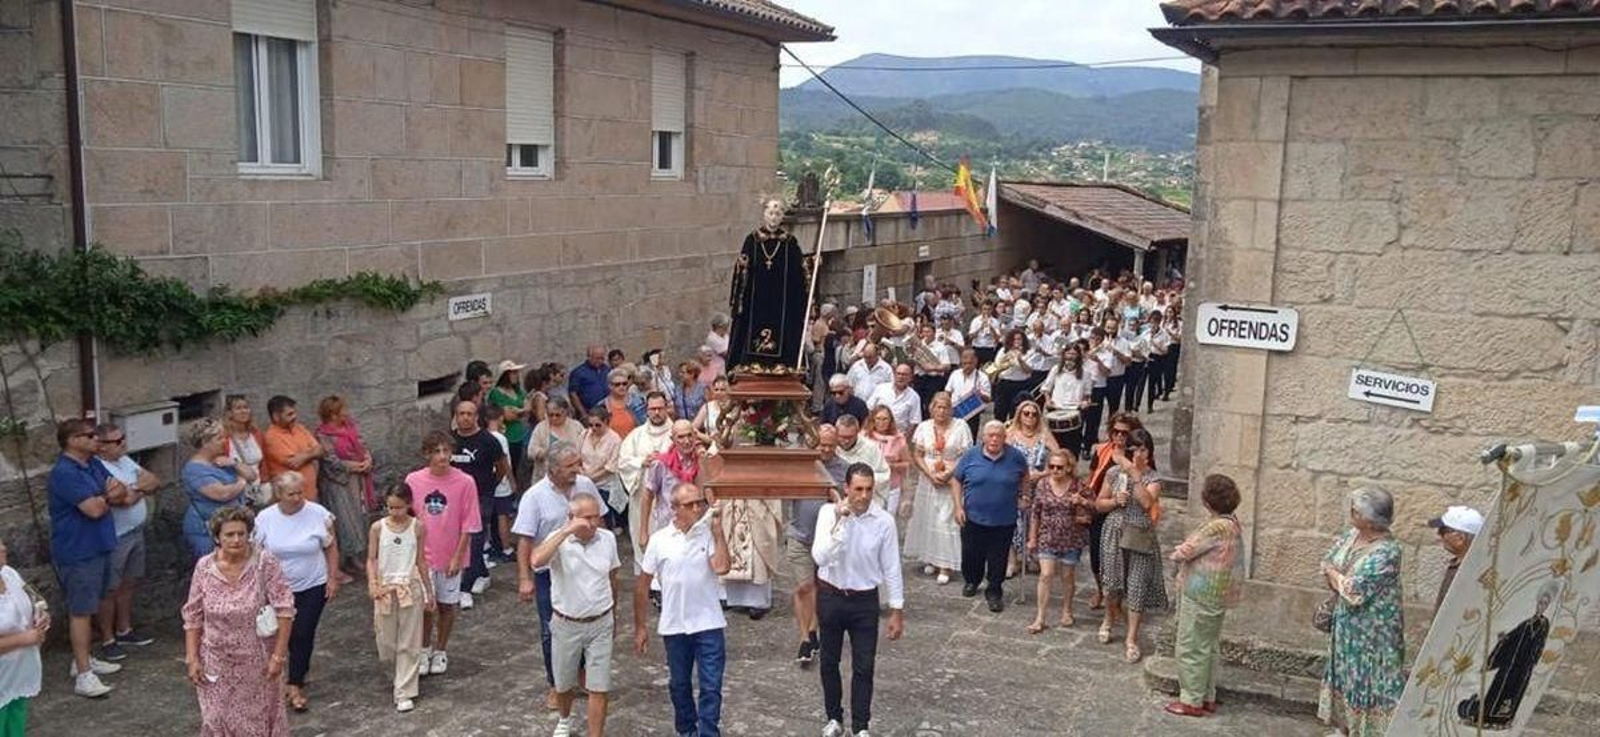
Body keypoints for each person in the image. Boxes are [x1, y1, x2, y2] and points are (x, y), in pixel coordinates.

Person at [812, 463, 906, 737]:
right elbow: (821, 557)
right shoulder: (827, 513)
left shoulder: (884, 521)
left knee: (864, 665)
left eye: (868, 489)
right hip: (831, 596)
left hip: (864, 600)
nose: (864, 496)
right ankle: (833, 718)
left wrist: (896, 609)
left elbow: (891, 567)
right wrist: (842, 521)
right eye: (858, 489)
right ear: (847, 488)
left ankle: (861, 725)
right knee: (829, 661)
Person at [182, 506, 294, 736]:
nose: (236, 540)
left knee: (255, 721)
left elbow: (285, 609)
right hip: (216, 658)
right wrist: (192, 658)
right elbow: (193, 615)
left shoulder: (264, 562)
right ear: (217, 537)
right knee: (215, 717)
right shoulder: (204, 567)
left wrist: (278, 656)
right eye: (229, 535)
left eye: (241, 534)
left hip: (257, 660)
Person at [634, 482, 731, 737]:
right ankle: (687, 730)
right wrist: (640, 626)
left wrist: (719, 532)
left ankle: (709, 732)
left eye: (700, 503)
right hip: (675, 624)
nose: (698, 508)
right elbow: (642, 585)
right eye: (691, 504)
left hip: (708, 622)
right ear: (674, 508)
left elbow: (721, 567)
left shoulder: (708, 534)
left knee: (711, 686)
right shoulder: (659, 540)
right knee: (679, 685)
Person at [512, 445, 606, 709]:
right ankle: (556, 683)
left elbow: (602, 522)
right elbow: (525, 540)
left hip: (585, 568)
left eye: (578, 463)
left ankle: (584, 673)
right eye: (571, 466)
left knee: (589, 621)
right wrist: (524, 578)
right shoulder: (534, 497)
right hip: (549, 572)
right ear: (553, 469)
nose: (578, 470)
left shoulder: (586, 485)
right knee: (550, 629)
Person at [528, 495, 621, 737]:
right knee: (563, 683)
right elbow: (536, 561)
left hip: (600, 621)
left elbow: (613, 577)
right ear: (571, 518)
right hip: (567, 623)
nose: (592, 523)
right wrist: (566, 531)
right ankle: (564, 718)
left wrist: (614, 612)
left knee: (599, 686)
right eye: (586, 518)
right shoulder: (559, 540)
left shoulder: (608, 539)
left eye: (596, 517)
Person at [1319, 487, 1405, 737]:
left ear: (1370, 519)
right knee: (1346, 676)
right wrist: (1336, 576)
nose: (1351, 513)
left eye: (1356, 511)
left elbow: (1354, 590)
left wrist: (1335, 575)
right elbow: (1327, 560)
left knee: (1371, 683)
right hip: (1347, 627)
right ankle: (1345, 729)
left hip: (1374, 635)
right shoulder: (1351, 535)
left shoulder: (1388, 551)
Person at [252, 471, 340, 712]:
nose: (298, 498)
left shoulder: (318, 514)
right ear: (279, 494)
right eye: (291, 494)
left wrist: (332, 578)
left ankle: (295, 681)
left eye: (301, 492)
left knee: (303, 631)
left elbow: (331, 547)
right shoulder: (265, 518)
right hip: (277, 587)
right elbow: (256, 553)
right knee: (279, 634)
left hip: (312, 583)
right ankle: (280, 676)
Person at [47, 419, 122, 697]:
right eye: (89, 436)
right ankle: (83, 675)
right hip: (78, 550)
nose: (96, 440)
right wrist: (106, 495)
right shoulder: (64, 473)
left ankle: (84, 659)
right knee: (80, 611)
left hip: (99, 544)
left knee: (93, 603)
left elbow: (121, 489)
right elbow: (93, 509)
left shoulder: (91, 464)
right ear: (72, 440)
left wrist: (106, 495)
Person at [1164, 474, 1243, 718]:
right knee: (1208, 646)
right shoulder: (1232, 522)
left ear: (1209, 500)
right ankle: (1207, 695)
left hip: (1200, 592)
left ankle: (1191, 700)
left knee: (1190, 645)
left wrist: (1175, 554)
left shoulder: (1216, 525)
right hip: (1217, 594)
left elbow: (1189, 549)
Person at [406, 431, 480, 677]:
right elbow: (408, 518)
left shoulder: (465, 482)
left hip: (450, 555)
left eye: (447, 451)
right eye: (437, 451)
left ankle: (441, 650)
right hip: (422, 557)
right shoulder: (413, 480)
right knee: (426, 607)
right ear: (427, 454)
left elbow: (469, 523)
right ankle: (424, 648)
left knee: (446, 606)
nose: (443, 456)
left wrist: (458, 556)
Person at [1095, 427, 1167, 662]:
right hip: (1115, 530)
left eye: (1143, 449)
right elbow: (1099, 504)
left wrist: (1135, 475)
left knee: (1136, 586)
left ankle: (1132, 638)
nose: (1138, 453)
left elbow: (1147, 503)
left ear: (1149, 452)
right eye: (1133, 449)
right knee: (1113, 581)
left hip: (1139, 533)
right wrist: (1115, 500)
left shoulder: (1152, 478)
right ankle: (1109, 618)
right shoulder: (1114, 473)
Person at [91, 423, 159, 662]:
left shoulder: (125, 461)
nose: (123, 444)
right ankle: (107, 638)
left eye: (123, 439)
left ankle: (125, 629)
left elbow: (152, 480)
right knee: (110, 588)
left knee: (129, 583)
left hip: (135, 531)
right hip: (116, 536)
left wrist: (135, 488)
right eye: (116, 441)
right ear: (100, 446)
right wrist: (138, 489)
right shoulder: (99, 467)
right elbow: (122, 500)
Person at [1457, 580, 1560, 729]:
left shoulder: (1544, 624)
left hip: (1523, 667)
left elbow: (1540, 644)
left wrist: (1532, 661)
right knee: (1498, 688)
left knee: (1513, 693)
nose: (1542, 606)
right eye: (1540, 603)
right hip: (1510, 664)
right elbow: (1513, 636)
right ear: (1537, 603)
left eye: (1545, 604)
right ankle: (1485, 716)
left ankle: (1503, 720)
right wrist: (1504, 639)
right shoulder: (1526, 623)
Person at [952, 420, 1031, 613]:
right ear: (983, 437)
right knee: (971, 554)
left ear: (1005, 438)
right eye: (991, 435)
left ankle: (994, 590)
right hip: (973, 516)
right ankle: (972, 580)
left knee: (998, 557)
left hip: (1003, 518)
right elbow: (956, 479)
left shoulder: (1015, 457)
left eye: (999, 435)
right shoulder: (971, 455)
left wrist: (1025, 495)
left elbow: (1025, 475)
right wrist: (958, 506)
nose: (994, 439)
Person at [366, 485, 433, 713]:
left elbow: (421, 560)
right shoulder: (377, 527)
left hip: (409, 586)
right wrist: (372, 583)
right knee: (386, 641)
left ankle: (404, 690)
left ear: (409, 504)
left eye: (399, 507)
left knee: (410, 640)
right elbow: (372, 559)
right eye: (390, 507)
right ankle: (397, 674)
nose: (394, 512)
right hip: (385, 589)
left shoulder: (418, 527)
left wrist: (428, 591)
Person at [727, 197, 813, 372]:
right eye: (771, 213)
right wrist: (742, 266)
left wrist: (811, 263)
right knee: (751, 327)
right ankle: (753, 361)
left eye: (778, 213)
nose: (774, 217)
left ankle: (782, 362)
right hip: (756, 299)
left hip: (781, 300)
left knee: (784, 327)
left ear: (782, 216)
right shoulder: (752, 240)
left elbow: (799, 270)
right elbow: (743, 268)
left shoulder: (789, 241)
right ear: (764, 214)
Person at [790, 425, 845, 669]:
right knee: (804, 586)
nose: (825, 449)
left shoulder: (844, 469)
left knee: (821, 590)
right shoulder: (801, 465)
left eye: (830, 445)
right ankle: (804, 638)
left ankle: (813, 631)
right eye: (821, 444)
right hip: (799, 534)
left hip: (827, 541)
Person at [904, 393, 971, 585]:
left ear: (951, 409)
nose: (942, 411)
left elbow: (966, 456)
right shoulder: (924, 427)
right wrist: (929, 474)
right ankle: (931, 558)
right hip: (929, 478)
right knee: (928, 518)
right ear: (931, 408)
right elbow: (917, 454)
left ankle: (945, 565)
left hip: (951, 478)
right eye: (938, 407)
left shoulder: (961, 427)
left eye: (946, 407)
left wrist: (949, 474)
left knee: (946, 520)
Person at [1025, 449, 1094, 634]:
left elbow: (1093, 505)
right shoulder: (1042, 484)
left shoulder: (1078, 486)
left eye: (1059, 467)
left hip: (1071, 537)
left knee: (1067, 576)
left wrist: (1081, 501)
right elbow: (1035, 512)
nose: (1055, 470)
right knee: (1045, 575)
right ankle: (1040, 617)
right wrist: (1032, 537)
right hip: (1047, 536)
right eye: (1051, 466)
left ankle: (1067, 609)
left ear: (1069, 468)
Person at [450, 399, 509, 607]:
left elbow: (502, 465)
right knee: (458, 540)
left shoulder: (488, 440)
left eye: (469, 413)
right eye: (461, 413)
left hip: (481, 495)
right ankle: (482, 574)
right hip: (455, 499)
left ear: (477, 417)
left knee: (474, 540)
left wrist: (491, 485)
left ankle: (464, 587)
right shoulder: (450, 440)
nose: (465, 417)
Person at [313, 395, 372, 580]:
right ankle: (350, 559)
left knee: (360, 516)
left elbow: (363, 445)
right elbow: (330, 460)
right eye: (341, 411)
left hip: (358, 480)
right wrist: (354, 466)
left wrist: (368, 459)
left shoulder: (350, 426)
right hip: (339, 483)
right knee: (347, 521)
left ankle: (360, 555)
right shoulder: (323, 434)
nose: (345, 413)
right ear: (332, 415)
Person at [182, 418, 255, 560]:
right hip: (207, 531)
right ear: (205, 443)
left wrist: (234, 464)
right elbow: (222, 494)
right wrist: (241, 482)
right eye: (219, 438)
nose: (225, 441)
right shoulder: (194, 470)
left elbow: (251, 475)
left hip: (231, 527)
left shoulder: (221, 459)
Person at [1005, 400, 1059, 581]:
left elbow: (1059, 458)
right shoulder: (1010, 434)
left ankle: (1032, 555)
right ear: (1019, 415)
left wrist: (1044, 473)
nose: (1030, 417)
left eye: (1034, 414)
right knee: (1013, 522)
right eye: (1026, 413)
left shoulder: (1044, 435)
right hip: (1015, 484)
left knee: (1037, 520)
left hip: (1039, 484)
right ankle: (1012, 560)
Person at [0, 539, 47, 734]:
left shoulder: (9, 574)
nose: (3, 548)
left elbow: (34, 600)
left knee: (15, 722)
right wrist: (25, 639)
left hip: (18, 673)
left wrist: (41, 616)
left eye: (1, 542)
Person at [621, 393, 676, 553]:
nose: (657, 412)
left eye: (660, 408)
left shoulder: (677, 433)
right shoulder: (636, 435)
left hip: (669, 498)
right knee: (644, 543)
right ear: (647, 410)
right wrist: (641, 462)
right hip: (642, 497)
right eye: (653, 409)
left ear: (667, 409)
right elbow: (623, 462)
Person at [262, 395, 323, 503]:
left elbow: (320, 450)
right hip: (291, 499)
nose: (295, 416)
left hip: (311, 493)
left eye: (294, 413)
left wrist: (304, 456)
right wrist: (312, 454)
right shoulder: (271, 437)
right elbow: (294, 463)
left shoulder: (299, 428)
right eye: (289, 414)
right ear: (276, 416)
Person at [1428, 505, 1483, 611]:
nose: (1439, 534)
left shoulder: (1468, 572)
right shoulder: (1461, 565)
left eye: (1443, 530)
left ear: (1460, 538)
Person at [580, 407, 627, 527]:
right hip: (584, 482)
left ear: (606, 422)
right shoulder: (584, 434)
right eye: (591, 425)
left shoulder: (615, 440)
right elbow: (577, 456)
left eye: (597, 425)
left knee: (605, 520)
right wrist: (583, 476)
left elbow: (611, 467)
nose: (594, 428)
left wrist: (590, 478)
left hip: (605, 486)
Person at [488, 360, 532, 486]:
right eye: (512, 373)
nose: (515, 376)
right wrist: (520, 411)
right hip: (507, 435)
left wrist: (519, 411)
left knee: (521, 468)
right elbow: (508, 415)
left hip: (520, 434)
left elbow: (528, 407)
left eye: (516, 373)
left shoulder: (517, 390)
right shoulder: (496, 393)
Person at [832, 415, 890, 510]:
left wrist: (862, 481)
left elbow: (884, 475)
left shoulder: (871, 448)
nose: (846, 441)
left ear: (857, 432)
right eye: (842, 437)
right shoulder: (831, 447)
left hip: (866, 502)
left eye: (850, 437)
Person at [864, 406, 910, 520]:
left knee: (888, 519)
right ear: (873, 420)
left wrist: (892, 466)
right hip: (869, 486)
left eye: (885, 419)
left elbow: (908, 463)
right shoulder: (864, 437)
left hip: (891, 486)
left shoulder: (899, 439)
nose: (881, 422)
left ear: (890, 421)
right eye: (878, 419)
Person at [222, 395, 267, 506]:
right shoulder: (224, 438)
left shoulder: (256, 434)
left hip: (257, 490)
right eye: (238, 408)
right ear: (229, 413)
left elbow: (264, 463)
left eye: (246, 407)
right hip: (237, 492)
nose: (243, 411)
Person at [529, 396, 586, 484]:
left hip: (571, 476)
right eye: (550, 415)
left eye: (557, 415)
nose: (554, 418)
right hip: (545, 477)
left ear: (566, 412)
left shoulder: (576, 427)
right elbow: (531, 451)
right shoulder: (541, 427)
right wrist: (545, 452)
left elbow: (586, 448)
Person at [945, 347, 992, 440]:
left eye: (969, 363)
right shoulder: (955, 374)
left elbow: (988, 399)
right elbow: (947, 392)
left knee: (969, 439)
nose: (966, 365)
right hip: (955, 412)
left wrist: (979, 394)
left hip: (972, 414)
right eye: (964, 362)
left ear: (975, 361)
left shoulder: (982, 377)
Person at [867, 363, 922, 438]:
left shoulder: (914, 397)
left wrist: (903, 440)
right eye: (898, 374)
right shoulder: (881, 388)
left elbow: (914, 422)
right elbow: (869, 410)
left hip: (897, 436)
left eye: (904, 375)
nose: (900, 377)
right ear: (894, 374)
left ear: (910, 377)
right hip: (876, 435)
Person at [992, 330, 1033, 422]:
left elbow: (1029, 371)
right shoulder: (1003, 351)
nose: (1016, 341)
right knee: (1000, 411)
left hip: (1021, 384)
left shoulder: (1028, 352)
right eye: (1013, 339)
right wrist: (1006, 363)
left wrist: (1020, 360)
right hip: (1004, 384)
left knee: (1016, 413)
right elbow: (997, 367)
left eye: (1019, 339)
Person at [569, 345, 611, 416]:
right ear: (589, 357)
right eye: (597, 358)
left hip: (607, 410)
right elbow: (573, 394)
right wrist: (583, 413)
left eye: (602, 358)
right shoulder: (578, 372)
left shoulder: (606, 369)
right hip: (589, 412)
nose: (600, 361)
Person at [691, 376, 731, 448]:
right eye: (716, 390)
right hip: (709, 447)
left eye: (722, 390)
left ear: (729, 391)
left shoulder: (734, 408)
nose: (719, 392)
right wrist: (705, 438)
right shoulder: (707, 407)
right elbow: (692, 428)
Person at [603, 367, 638, 439]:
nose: (621, 387)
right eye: (617, 384)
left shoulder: (637, 401)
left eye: (624, 384)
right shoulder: (602, 406)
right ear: (610, 386)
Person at [968, 301, 1003, 367]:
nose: (986, 311)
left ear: (992, 310)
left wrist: (992, 328)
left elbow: (998, 339)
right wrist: (980, 328)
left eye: (989, 309)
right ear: (981, 310)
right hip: (977, 348)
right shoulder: (975, 320)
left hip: (989, 349)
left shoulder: (995, 321)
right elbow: (970, 337)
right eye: (984, 309)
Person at [705, 314, 731, 384]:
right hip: (717, 369)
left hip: (726, 368)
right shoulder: (712, 338)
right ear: (719, 326)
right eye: (725, 327)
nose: (726, 329)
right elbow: (725, 353)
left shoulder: (725, 336)